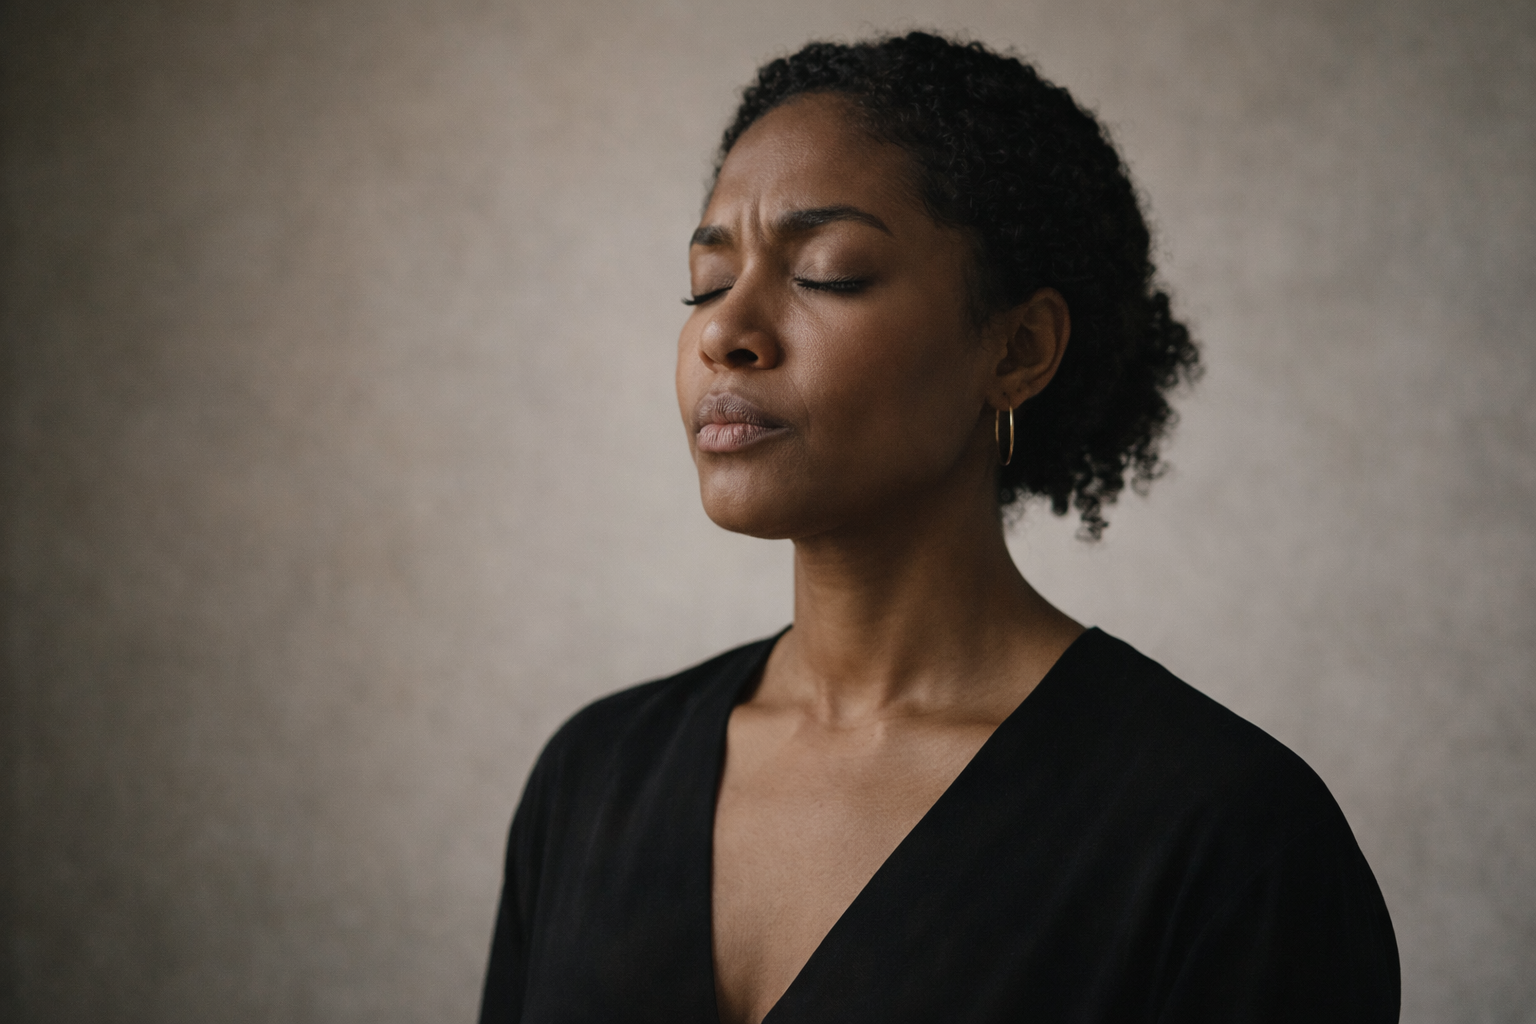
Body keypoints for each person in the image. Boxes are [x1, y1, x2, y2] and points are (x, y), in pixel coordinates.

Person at [479, 31, 1399, 1024]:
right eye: (706, 282)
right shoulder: (594, 775)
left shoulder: (1227, 839)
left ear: (1017, 349)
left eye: (826, 271)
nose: (722, 331)